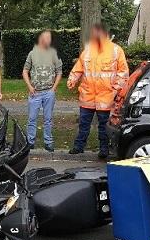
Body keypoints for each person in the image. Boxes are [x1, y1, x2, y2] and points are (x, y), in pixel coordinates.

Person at [67, 24, 129, 159]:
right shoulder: (88, 50)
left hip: (106, 97)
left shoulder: (116, 50)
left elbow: (123, 73)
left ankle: (104, 149)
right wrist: (72, 79)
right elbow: (78, 68)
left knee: (103, 126)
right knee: (84, 124)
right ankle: (79, 147)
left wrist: (116, 89)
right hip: (87, 96)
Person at [22, 30, 63, 151]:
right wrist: (29, 86)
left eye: (49, 38)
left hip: (48, 93)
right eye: (45, 37)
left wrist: (53, 89)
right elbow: (25, 71)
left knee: (48, 119)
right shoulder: (32, 53)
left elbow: (59, 72)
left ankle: (48, 142)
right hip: (35, 93)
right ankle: (30, 142)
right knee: (32, 119)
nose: (47, 40)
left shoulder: (54, 53)